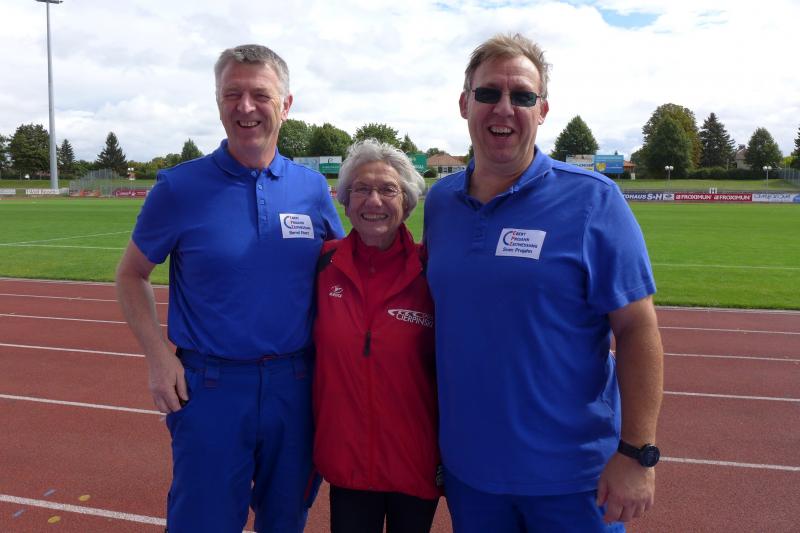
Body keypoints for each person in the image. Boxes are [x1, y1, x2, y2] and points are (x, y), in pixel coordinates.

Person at [423, 33, 664, 532]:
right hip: (472, 475)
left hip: (574, 479)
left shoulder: (594, 200)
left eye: (522, 96)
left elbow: (638, 328)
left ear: (543, 109)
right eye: (488, 93)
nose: (503, 108)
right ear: (465, 104)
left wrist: (638, 452)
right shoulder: (441, 203)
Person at [115, 44, 344, 533]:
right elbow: (131, 274)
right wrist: (158, 357)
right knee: (204, 521)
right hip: (211, 388)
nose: (245, 107)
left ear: (286, 105)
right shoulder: (178, 188)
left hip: (296, 387)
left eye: (260, 94)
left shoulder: (312, 189)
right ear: (218, 101)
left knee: (286, 521)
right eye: (231, 94)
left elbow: (342, 274)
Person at [313, 139, 440, 533]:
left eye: (388, 189)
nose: (373, 201)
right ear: (345, 201)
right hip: (348, 463)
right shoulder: (322, 264)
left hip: (416, 463)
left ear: (407, 202)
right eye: (361, 189)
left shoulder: (432, 270)